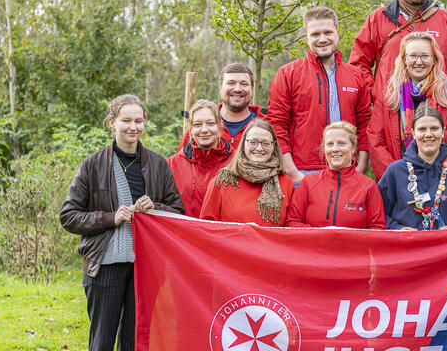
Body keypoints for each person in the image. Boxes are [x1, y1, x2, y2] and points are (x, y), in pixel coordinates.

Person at [60, 94, 184, 351]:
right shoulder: (92, 165)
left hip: (145, 267)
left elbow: (177, 212)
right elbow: (69, 216)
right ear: (111, 123)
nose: (133, 127)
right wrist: (109, 218)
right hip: (104, 267)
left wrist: (156, 208)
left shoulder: (158, 164)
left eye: (139, 121)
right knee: (102, 340)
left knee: (134, 340)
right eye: (126, 120)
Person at [267, 6, 372, 184]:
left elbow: (364, 124)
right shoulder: (288, 74)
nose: (322, 39)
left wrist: (360, 168)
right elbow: (276, 125)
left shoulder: (356, 76)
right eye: (315, 34)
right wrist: (293, 173)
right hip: (304, 172)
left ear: (337, 33)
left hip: (348, 171)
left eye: (328, 32)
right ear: (307, 37)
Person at [368, 32, 447, 175]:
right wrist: (396, 177)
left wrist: (446, 177)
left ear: (434, 59)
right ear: (404, 59)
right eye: (413, 56)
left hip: (441, 179)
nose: (418, 61)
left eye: (424, 56)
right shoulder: (389, 96)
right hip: (399, 180)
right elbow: (376, 141)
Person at [379, 106, 447, 230]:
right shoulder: (395, 171)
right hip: (407, 247)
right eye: (422, 129)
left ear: (443, 131)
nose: (428, 134)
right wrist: (397, 229)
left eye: (434, 128)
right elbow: (378, 214)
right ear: (413, 133)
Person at [285, 122, 386, 229]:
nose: (335, 149)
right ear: (323, 149)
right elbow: (292, 222)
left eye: (341, 143)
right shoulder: (308, 183)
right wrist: (320, 235)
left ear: (353, 148)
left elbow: (378, 228)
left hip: (354, 246)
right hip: (314, 245)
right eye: (330, 144)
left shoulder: (368, 186)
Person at [200, 119, 295, 226]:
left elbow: (290, 227)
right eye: (253, 142)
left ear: (274, 147)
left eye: (266, 143)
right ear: (243, 144)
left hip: (269, 242)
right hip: (231, 242)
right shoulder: (223, 180)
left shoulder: (285, 183)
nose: (259, 148)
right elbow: (207, 225)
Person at [177, 63, 265, 151]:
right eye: (231, 83)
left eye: (244, 84)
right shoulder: (199, 127)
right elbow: (180, 161)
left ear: (252, 89)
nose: (237, 89)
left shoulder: (266, 125)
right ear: (220, 88)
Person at [167, 99, 232, 217]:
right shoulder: (171, 165)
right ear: (190, 130)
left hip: (222, 234)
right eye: (197, 124)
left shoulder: (236, 163)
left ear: (220, 127)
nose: (204, 130)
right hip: (184, 234)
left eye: (210, 123)